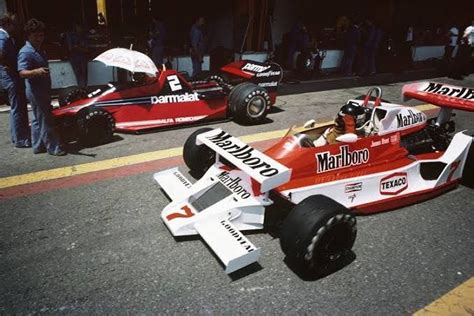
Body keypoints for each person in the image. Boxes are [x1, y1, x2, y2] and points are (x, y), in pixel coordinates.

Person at [18, 18, 66, 156]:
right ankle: (54, 147)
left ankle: (38, 145)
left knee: (37, 118)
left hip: (43, 89)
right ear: (29, 35)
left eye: (41, 35)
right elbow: (22, 72)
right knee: (46, 119)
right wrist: (35, 72)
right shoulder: (26, 52)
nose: (40, 38)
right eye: (36, 36)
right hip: (35, 90)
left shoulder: (38, 50)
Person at [0, 13, 31, 148]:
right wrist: (9, 65)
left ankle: (16, 136)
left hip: (8, 75)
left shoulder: (6, 36)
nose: (16, 27)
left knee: (15, 107)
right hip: (10, 76)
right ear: (7, 24)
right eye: (14, 24)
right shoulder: (3, 37)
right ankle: (21, 139)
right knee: (18, 106)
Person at [66, 22, 88, 88]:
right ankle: (81, 89)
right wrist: (80, 48)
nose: (79, 28)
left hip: (82, 57)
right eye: (78, 27)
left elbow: (87, 48)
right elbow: (70, 48)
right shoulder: (70, 35)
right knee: (78, 74)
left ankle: (83, 89)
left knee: (84, 74)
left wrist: (77, 47)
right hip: (74, 58)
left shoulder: (83, 36)